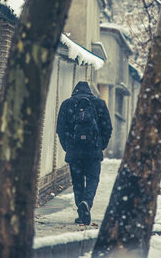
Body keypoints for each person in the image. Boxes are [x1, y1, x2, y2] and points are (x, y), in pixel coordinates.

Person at [56, 81, 112, 225]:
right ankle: (87, 202)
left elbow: (60, 130)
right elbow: (108, 128)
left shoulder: (67, 104)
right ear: (90, 91)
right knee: (93, 179)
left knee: (77, 181)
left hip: (75, 151)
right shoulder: (99, 104)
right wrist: (101, 145)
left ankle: (81, 212)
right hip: (93, 150)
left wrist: (67, 146)